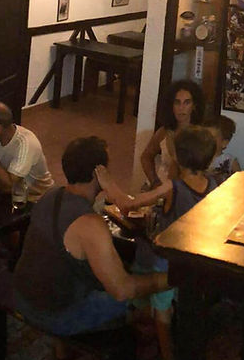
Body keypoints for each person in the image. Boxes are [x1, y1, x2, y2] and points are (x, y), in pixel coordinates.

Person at [13, 136, 170, 339]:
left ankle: (63, 350)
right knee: (150, 303)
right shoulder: (90, 224)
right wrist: (170, 279)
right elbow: (123, 289)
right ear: (98, 173)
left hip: (23, 296)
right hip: (55, 315)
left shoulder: (50, 195)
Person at [97, 126, 218, 360]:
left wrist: (109, 184)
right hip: (190, 255)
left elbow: (129, 204)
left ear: (179, 158)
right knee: (157, 305)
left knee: (162, 312)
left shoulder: (173, 187)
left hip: (166, 261)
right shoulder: (211, 183)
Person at [140, 79, 205, 186]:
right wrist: (154, 181)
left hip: (186, 189)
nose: (181, 108)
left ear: (194, 106)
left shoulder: (200, 134)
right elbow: (146, 157)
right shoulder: (164, 132)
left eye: (187, 102)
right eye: (177, 102)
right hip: (162, 187)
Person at [206, 114, 241, 184]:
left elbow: (239, 184)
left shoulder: (230, 162)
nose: (206, 140)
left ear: (224, 143)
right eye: (204, 136)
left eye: (212, 138)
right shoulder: (197, 157)